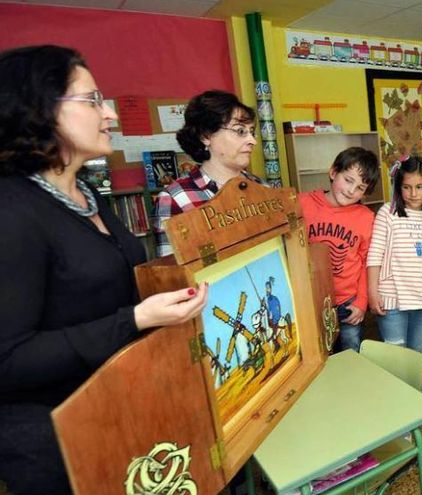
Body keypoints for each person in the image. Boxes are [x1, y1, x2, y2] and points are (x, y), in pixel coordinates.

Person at [0, 45, 208, 494]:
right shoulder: (11, 209)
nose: (110, 113)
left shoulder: (89, 194)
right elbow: (9, 358)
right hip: (57, 437)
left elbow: (111, 283)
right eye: (92, 100)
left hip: (116, 406)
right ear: (38, 107)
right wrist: (137, 319)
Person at [154, 90, 263, 257]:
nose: (252, 141)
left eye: (252, 132)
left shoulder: (261, 187)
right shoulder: (175, 199)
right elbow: (175, 273)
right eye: (240, 131)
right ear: (206, 136)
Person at [299, 147, 380, 352]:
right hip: (310, 300)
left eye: (361, 188)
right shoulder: (302, 204)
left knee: (349, 353)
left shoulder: (365, 217)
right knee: (315, 355)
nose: (352, 191)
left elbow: (365, 264)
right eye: (348, 180)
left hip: (347, 302)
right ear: (333, 172)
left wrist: (362, 302)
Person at [366, 156, 422, 353]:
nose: (413, 194)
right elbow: (375, 255)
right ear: (398, 187)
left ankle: (415, 386)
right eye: (406, 187)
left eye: (420, 187)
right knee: (396, 352)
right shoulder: (388, 212)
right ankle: (397, 385)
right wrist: (372, 291)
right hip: (392, 296)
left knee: (418, 351)